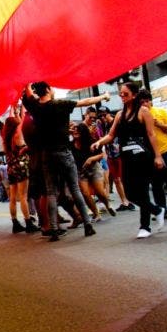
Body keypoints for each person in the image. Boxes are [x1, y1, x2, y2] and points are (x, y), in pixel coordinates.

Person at [22, 82, 107, 240]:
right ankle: (88, 225)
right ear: (48, 89)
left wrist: (27, 83)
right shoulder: (59, 104)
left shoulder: (35, 107)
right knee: (75, 189)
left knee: (51, 192)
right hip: (64, 152)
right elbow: (86, 102)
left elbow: (27, 93)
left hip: (47, 155)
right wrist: (104, 96)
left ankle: (54, 230)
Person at [92, 82, 166, 239]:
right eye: (120, 94)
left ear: (134, 95)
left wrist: (158, 156)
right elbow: (111, 135)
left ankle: (144, 226)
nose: (122, 96)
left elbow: (151, 134)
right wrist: (99, 142)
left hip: (143, 157)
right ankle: (157, 210)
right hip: (126, 158)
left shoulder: (143, 111)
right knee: (130, 194)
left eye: (125, 94)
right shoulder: (119, 115)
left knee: (143, 191)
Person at [1, 115, 39, 233]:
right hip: (21, 167)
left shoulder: (5, 139)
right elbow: (22, 122)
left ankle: (15, 223)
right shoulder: (17, 136)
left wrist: (15, 110)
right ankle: (28, 222)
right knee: (23, 196)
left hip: (11, 168)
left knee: (12, 197)